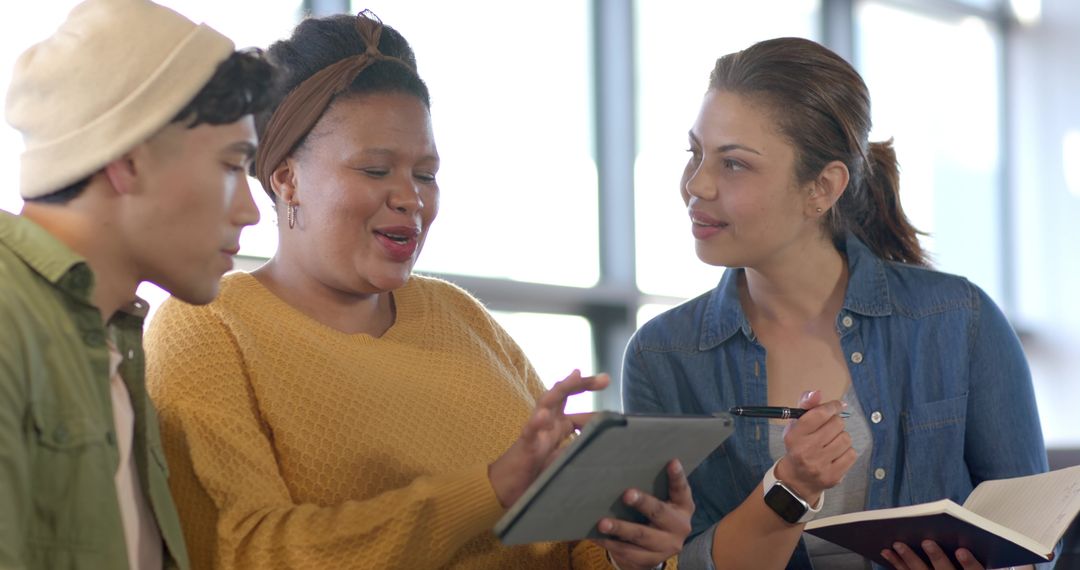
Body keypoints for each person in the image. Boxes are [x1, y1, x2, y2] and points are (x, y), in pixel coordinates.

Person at [144, 11, 691, 570]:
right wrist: (489, 489)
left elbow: (567, 547)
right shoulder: (207, 326)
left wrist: (630, 552)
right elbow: (243, 552)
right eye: (377, 170)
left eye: (426, 175)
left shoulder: (459, 317)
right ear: (286, 178)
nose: (411, 199)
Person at [621, 36, 1049, 570]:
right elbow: (674, 563)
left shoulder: (958, 319)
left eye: (733, 164)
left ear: (822, 188)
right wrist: (789, 489)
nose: (696, 185)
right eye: (696, 153)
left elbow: (1033, 538)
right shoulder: (663, 357)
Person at [0, 0, 273, 568]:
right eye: (231, 165)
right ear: (127, 158)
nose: (251, 211)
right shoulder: (10, 320)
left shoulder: (111, 335)